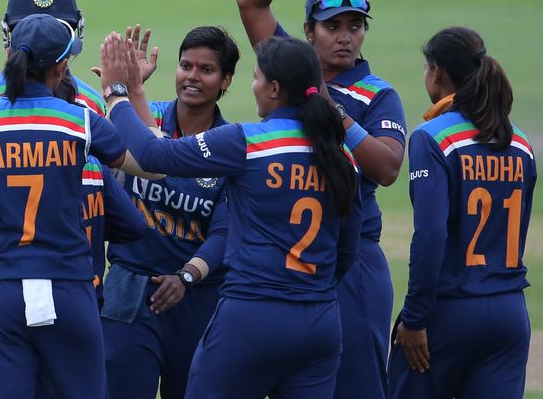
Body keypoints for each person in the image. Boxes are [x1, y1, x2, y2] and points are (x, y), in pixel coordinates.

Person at [102, 32, 362, 398]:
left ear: (274, 88)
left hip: (251, 314)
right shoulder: (341, 156)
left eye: (255, 78)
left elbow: (153, 155)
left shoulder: (248, 142)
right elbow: (347, 249)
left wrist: (116, 94)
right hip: (320, 321)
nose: (253, 87)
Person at [0, 0, 146, 396]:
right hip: (72, 264)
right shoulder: (89, 103)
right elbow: (134, 172)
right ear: (68, 50)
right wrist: (128, 96)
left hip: (0, 270)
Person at [237, 0, 407, 397]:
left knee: (356, 385)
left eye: (355, 26)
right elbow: (250, 3)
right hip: (284, 260)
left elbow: (386, 168)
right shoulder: (289, 67)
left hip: (352, 260)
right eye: (332, 26)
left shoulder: (377, 94)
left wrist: (330, 109)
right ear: (308, 32)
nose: (345, 37)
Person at [388, 26, 535, 399]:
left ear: (436, 72)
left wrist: (415, 317)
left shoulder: (433, 137)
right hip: (510, 314)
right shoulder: (521, 144)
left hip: (449, 310)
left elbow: (432, 234)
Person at [101, 25, 236, 399]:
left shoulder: (229, 145)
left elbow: (224, 233)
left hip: (196, 300)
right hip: (129, 289)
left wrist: (186, 276)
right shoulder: (145, 117)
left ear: (226, 79)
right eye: (185, 65)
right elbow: (96, 137)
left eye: (206, 70)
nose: (192, 77)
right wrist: (127, 93)